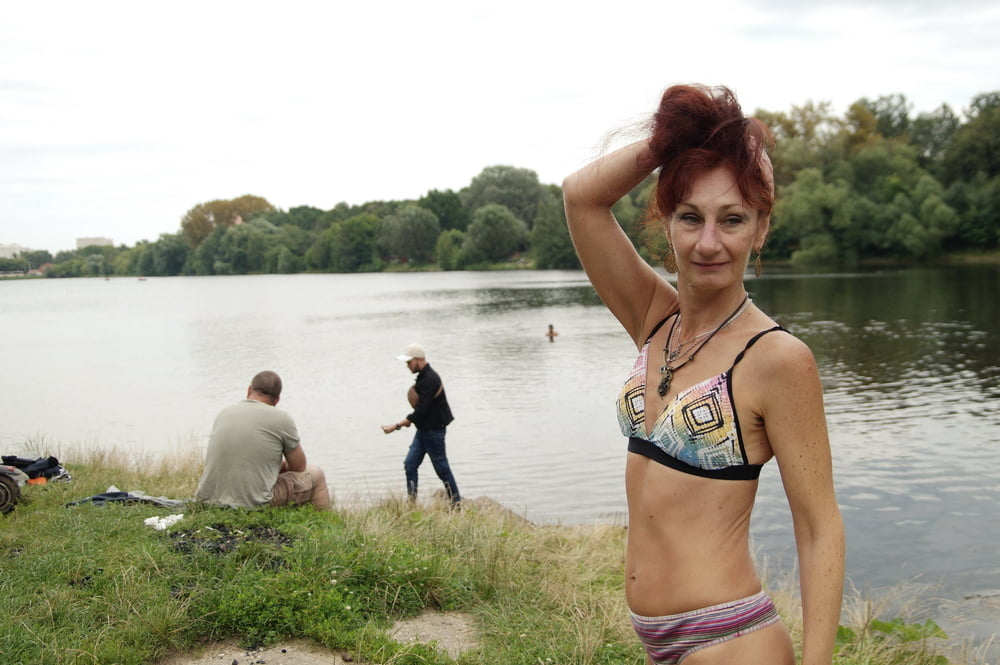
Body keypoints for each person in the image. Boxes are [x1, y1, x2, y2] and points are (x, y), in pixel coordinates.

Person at [563, 84, 844, 665]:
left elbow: (819, 528)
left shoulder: (777, 359)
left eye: (732, 219)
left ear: (760, 228)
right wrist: (675, 141)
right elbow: (581, 197)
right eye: (690, 217)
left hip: (731, 642)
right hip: (656, 640)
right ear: (666, 223)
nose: (708, 243)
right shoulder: (653, 319)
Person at [195, 370, 331, 510]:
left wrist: (271, 466)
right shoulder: (282, 418)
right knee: (316, 474)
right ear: (277, 400)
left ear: (249, 390)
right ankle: (324, 520)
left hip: (208, 500)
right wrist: (280, 466)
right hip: (253, 504)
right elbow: (299, 467)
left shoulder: (224, 413)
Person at [381, 343, 461, 506]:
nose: (407, 366)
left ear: (419, 360)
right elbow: (421, 412)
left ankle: (456, 503)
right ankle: (412, 503)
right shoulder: (423, 378)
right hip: (424, 430)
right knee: (410, 465)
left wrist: (396, 426)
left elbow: (421, 411)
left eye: (409, 362)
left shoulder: (430, 379)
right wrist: (409, 421)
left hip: (434, 431)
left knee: (442, 468)